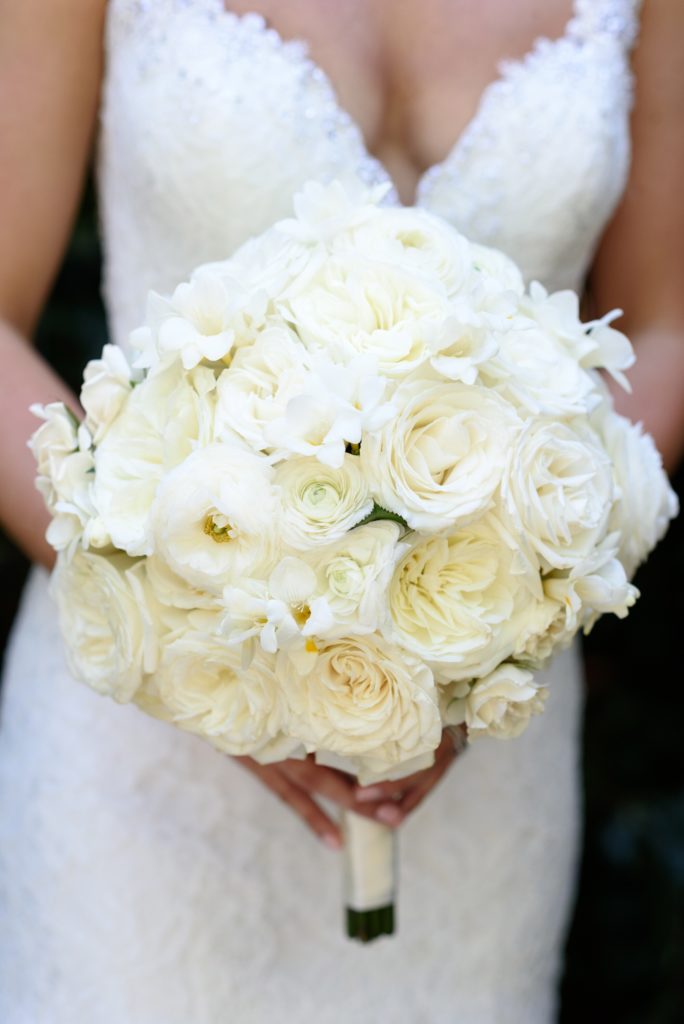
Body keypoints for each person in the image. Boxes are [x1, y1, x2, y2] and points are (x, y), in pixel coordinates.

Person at [0, 0, 681, 1020]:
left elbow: (662, 324)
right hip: (143, 748)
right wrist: (182, 628)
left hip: (483, 741)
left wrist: (504, 621)